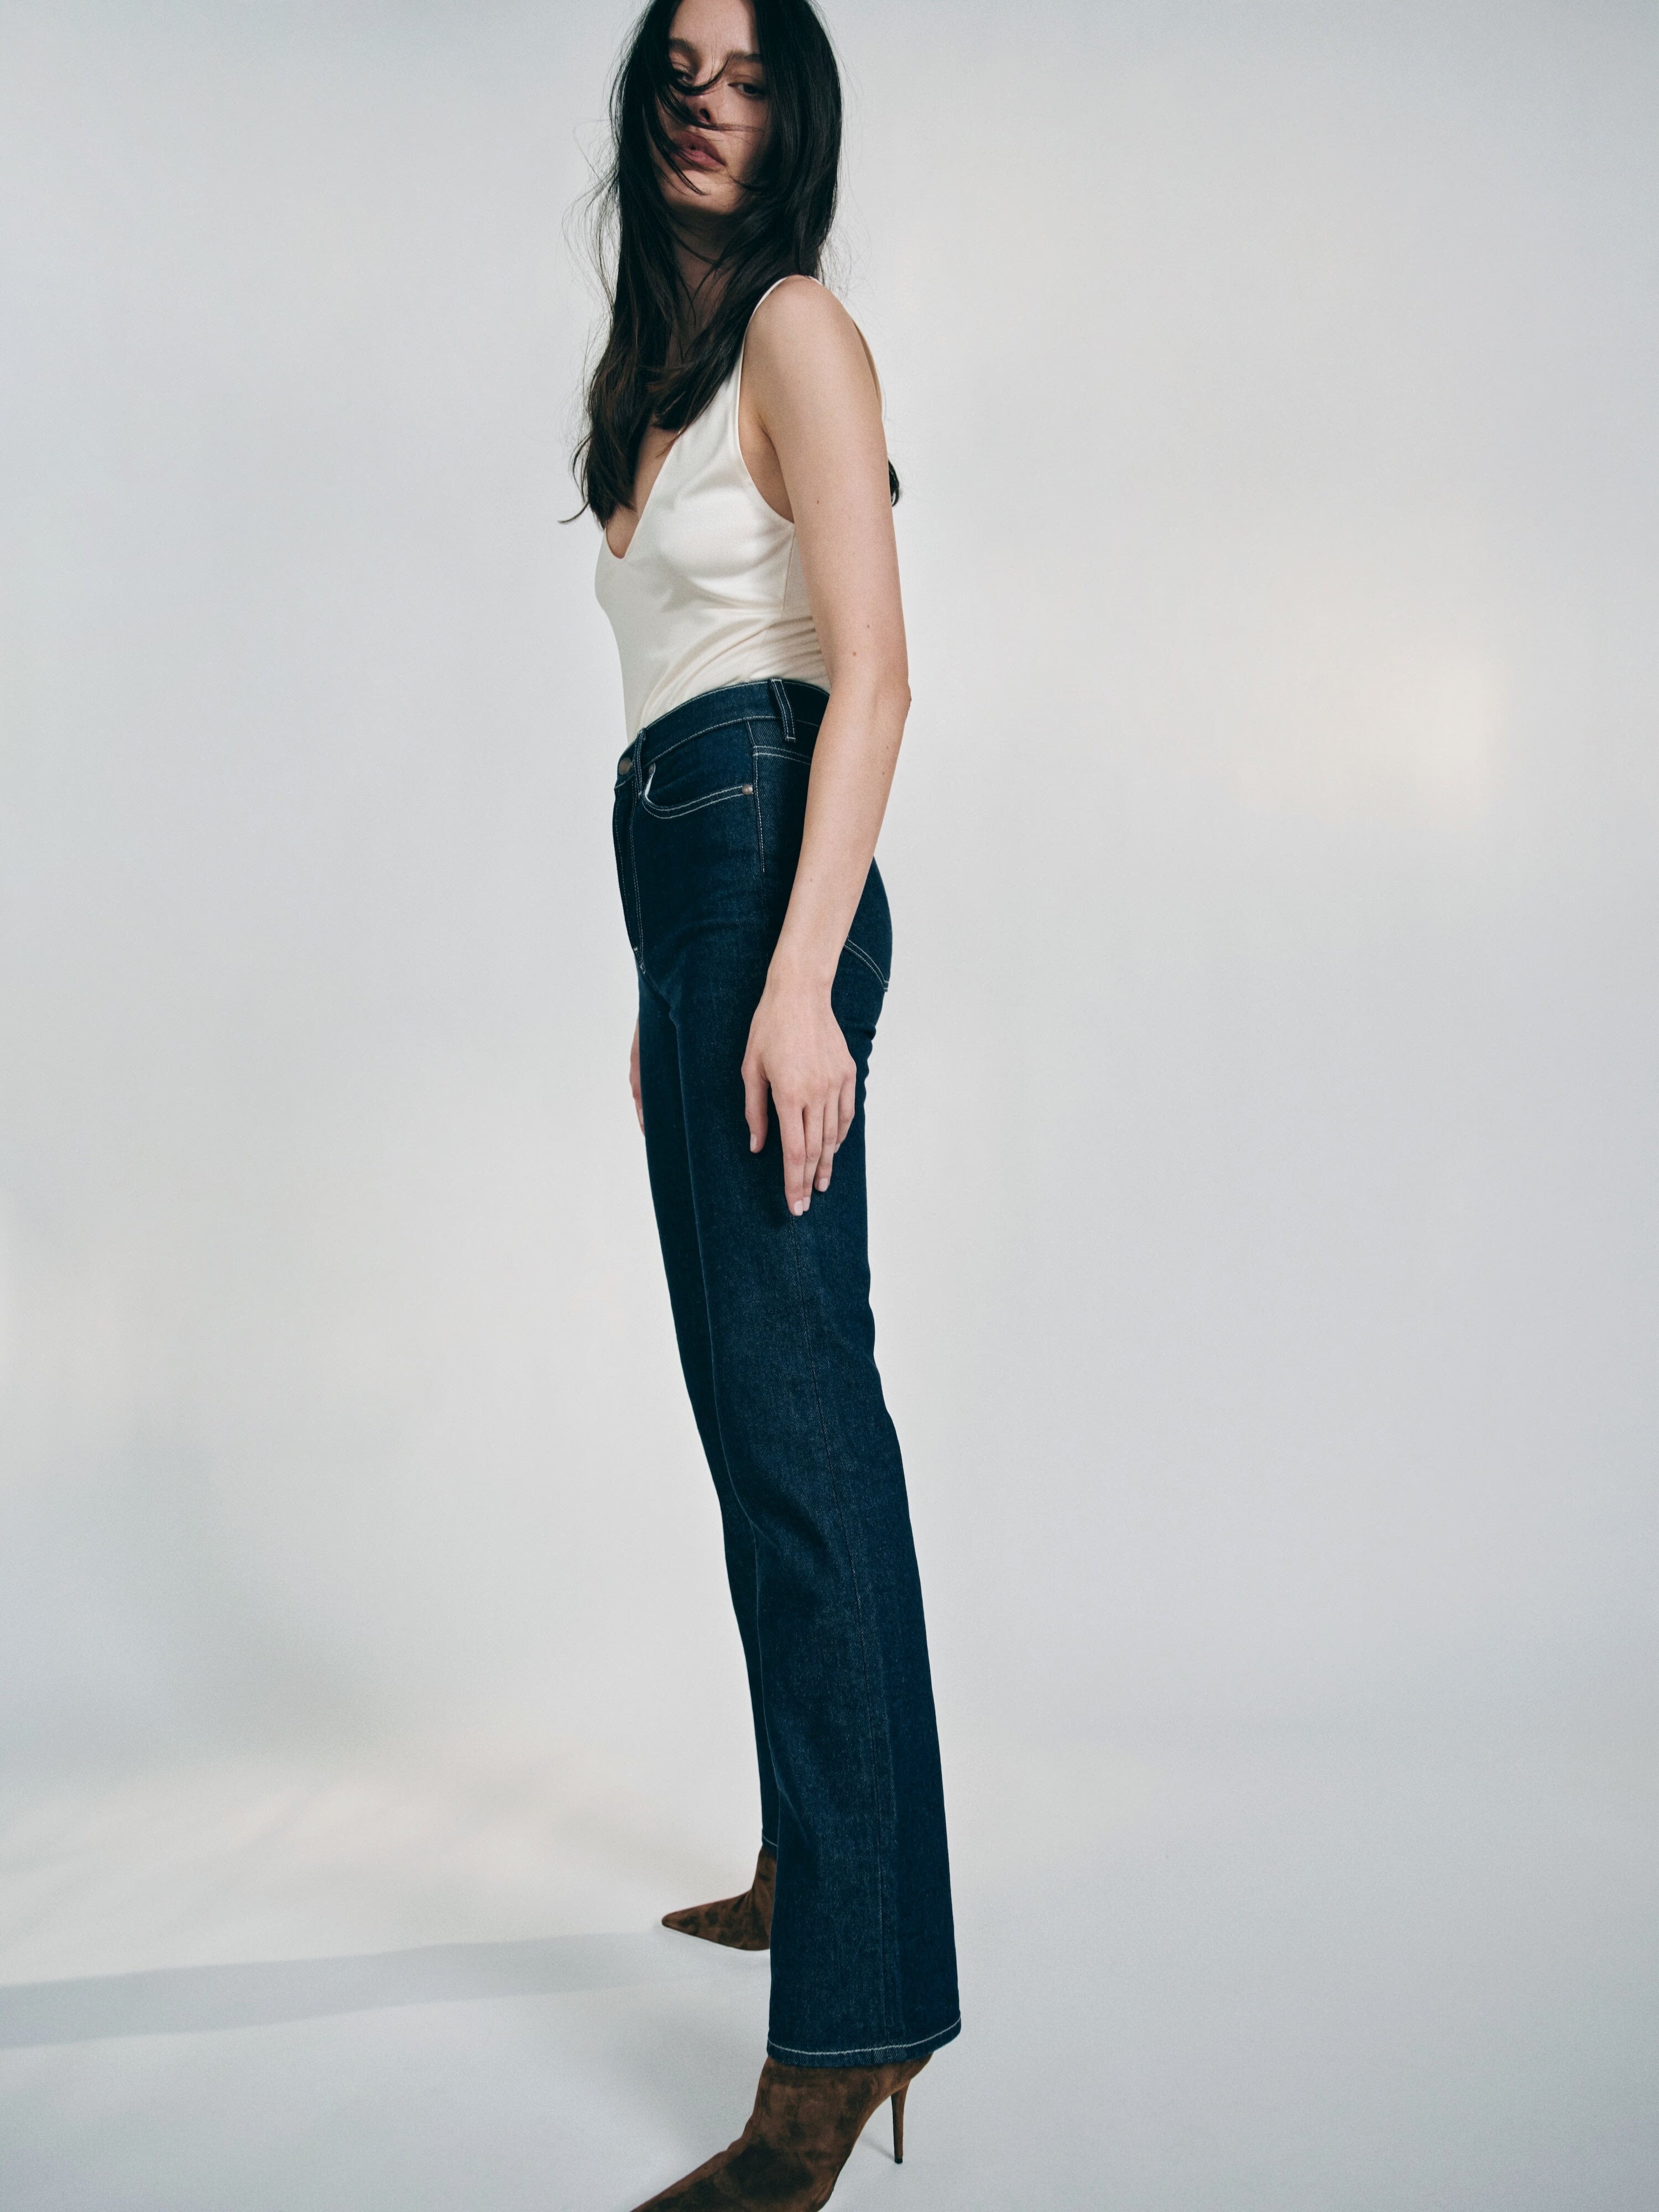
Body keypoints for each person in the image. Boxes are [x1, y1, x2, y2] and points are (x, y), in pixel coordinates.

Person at [579, 1, 959, 2201]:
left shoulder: (802, 327)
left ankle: (858, 2014)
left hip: (766, 867)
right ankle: (825, 1856)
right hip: (689, 893)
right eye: (679, 73)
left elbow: (873, 676)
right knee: (756, 1427)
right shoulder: (658, 374)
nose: (707, 109)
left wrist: (796, 974)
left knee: (808, 1429)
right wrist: (675, 990)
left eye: (745, 77)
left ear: (792, 112)